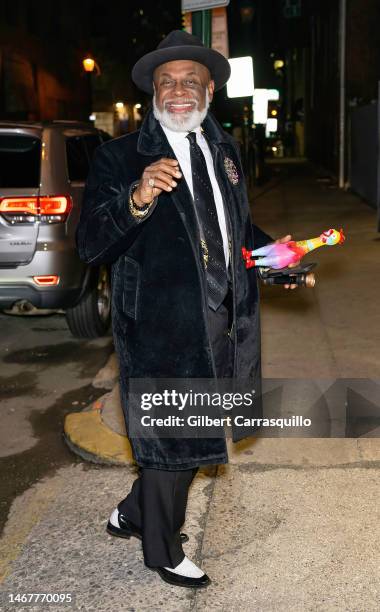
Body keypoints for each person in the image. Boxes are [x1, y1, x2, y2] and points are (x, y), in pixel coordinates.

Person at [76, 30, 296, 589]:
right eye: (168, 82)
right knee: (172, 443)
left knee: (196, 434)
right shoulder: (118, 157)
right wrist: (137, 199)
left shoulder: (224, 153)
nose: (179, 90)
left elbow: (236, 230)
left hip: (223, 319)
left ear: (209, 91)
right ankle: (163, 550)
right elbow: (91, 245)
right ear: (154, 91)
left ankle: (132, 511)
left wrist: (276, 257)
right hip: (157, 326)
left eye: (190, 81)